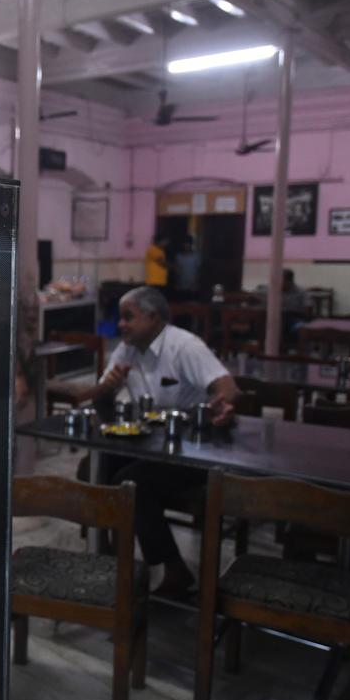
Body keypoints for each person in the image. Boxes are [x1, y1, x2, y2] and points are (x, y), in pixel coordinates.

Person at [84, 287, 240, 595]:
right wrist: (108, 389)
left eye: (128, 317)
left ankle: (173, 568)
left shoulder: (184, 346)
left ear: (153, 317)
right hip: (152, 444)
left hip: (195, 449)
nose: (121, 325)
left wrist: (223, 407)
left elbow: (227, 386)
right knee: (91, 468)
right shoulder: (127, 349)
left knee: (133, 482)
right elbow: (100, 400)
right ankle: (108, 558)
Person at [172, 236, 200, 301]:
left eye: (188, 244)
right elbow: (176, 270)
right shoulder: (179, 256)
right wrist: (176, 283)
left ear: (191, 245)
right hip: (181, 284)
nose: (186, 246)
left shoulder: (196, 256)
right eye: (185, 244)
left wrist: (196, 282)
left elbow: (198, 270)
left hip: (192, 284)